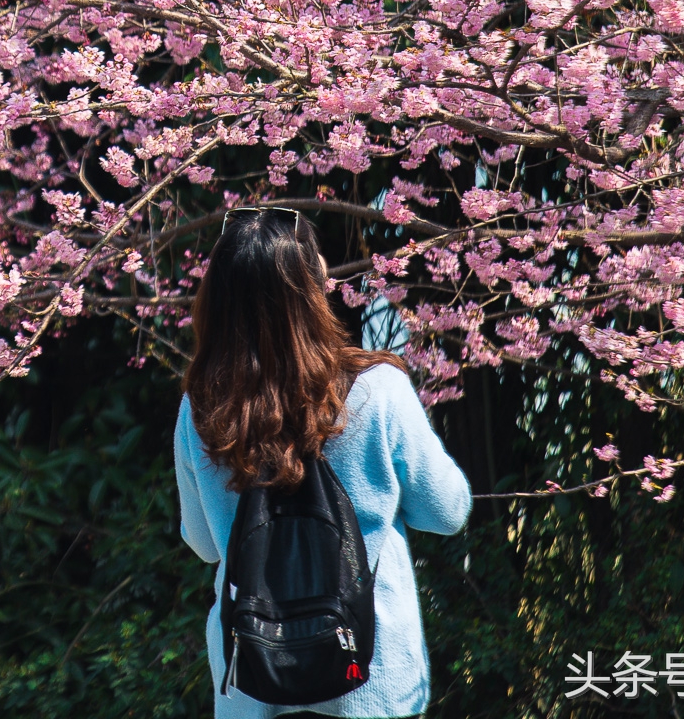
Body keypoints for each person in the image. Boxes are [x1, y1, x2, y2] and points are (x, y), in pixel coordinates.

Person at [175, 207, 472, 718]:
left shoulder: (202, 408)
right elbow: (447, 512)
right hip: (367, 677)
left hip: (253, 681)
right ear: (311, 288)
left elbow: (204, 545)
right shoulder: (378, 391)